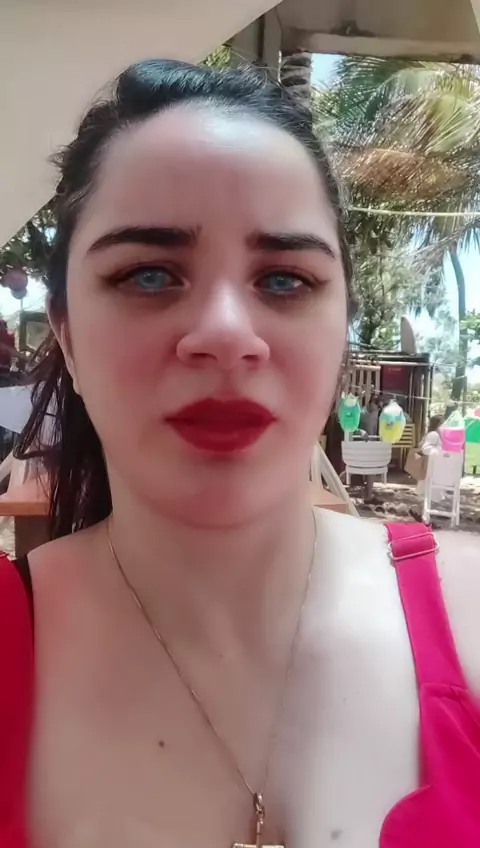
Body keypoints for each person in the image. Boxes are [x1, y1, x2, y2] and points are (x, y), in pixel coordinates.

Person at [1, 60, 479, 848]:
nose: (226, 334)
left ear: (341, 330)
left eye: (285, 281)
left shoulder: (469, 616)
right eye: (149, 275)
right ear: (68, 337)